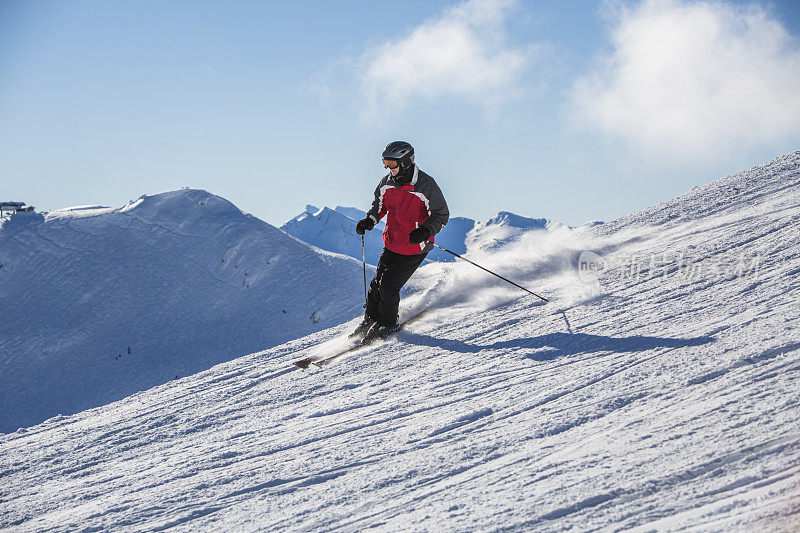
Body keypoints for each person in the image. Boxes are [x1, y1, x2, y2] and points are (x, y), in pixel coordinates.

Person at [353, 141, 450, 340]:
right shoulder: (386, 183)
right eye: (385, 163)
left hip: (415, 247)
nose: (388, 168)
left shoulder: (425, 185)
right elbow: (379, 206)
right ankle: (370, 320)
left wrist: (425, 231)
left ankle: (387, 325)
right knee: (376, 284)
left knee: (388, 286)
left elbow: (441, 215)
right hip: (392, 243)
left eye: (391, 164)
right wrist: (369, 220)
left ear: (405, 162)